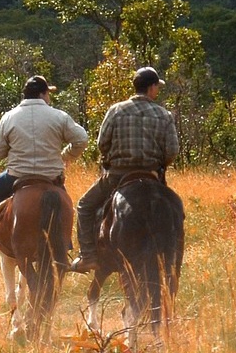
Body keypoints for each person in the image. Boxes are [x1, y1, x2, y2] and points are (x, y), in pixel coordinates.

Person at [0, 75, 89, 266]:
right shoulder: (59, 116)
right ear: (43, 94)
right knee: (65, 204)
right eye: (48, 94)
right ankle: (65, 248)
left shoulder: (9, 117)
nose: (49, 98)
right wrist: (66, 155)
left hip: (16, 176)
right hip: (51, 177)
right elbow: (81, 139)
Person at [68, 66, 179, 273]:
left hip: (117, 176)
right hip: (152, 175)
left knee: (85, 206)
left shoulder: (116, 110)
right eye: (157, 87)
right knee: (176, 209)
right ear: (151, 88)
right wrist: (160, 165)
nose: (157, 91)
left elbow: (102, 143)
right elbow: (172, 150)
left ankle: (88, 256)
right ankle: (172, 257)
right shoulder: (164, 115)